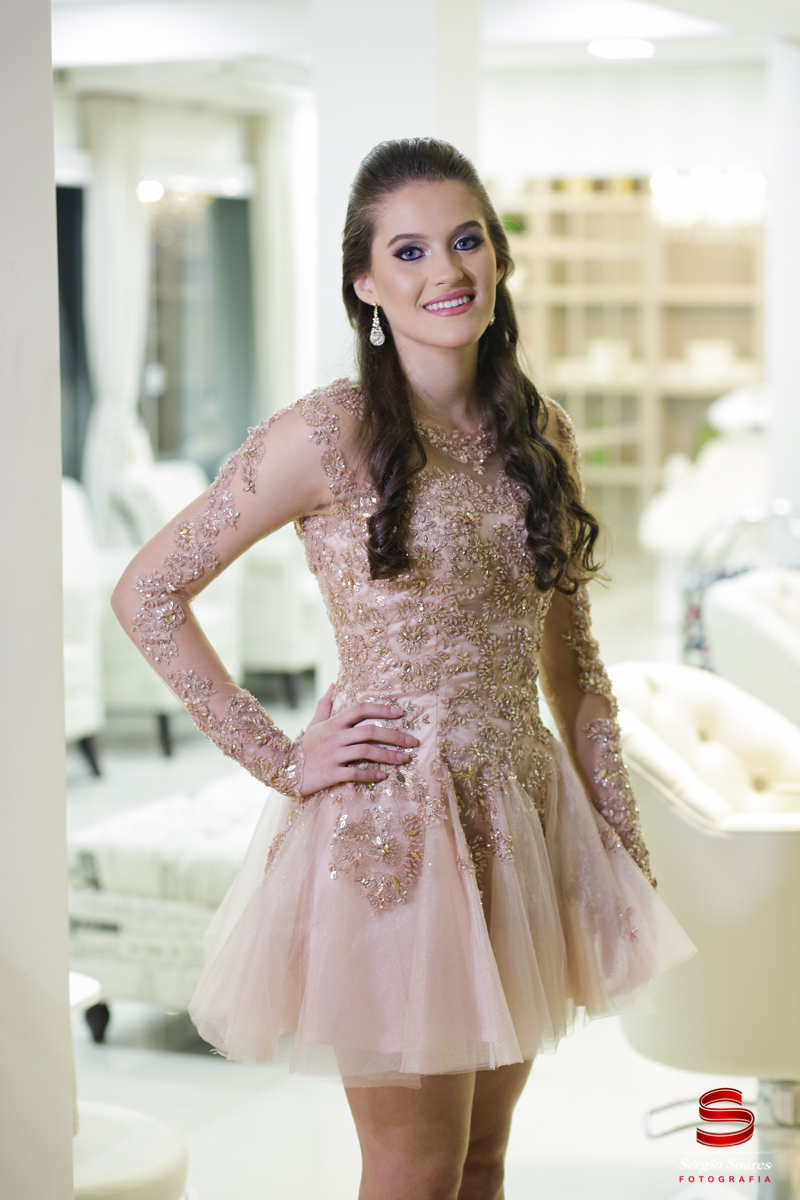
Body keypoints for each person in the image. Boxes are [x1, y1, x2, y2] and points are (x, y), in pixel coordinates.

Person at [112, 137, 697, 1200]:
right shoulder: (326, 433)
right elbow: (146, 593)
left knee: (481, 1161)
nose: (446, 271)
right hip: (396, 832)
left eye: (466, 241)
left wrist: (616, 848)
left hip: (520, 825)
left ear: (498, 257)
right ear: (366, 283)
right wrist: (282, 759)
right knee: (415, 1168)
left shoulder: (542, 434)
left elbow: (574, 670)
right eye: (411, 251)